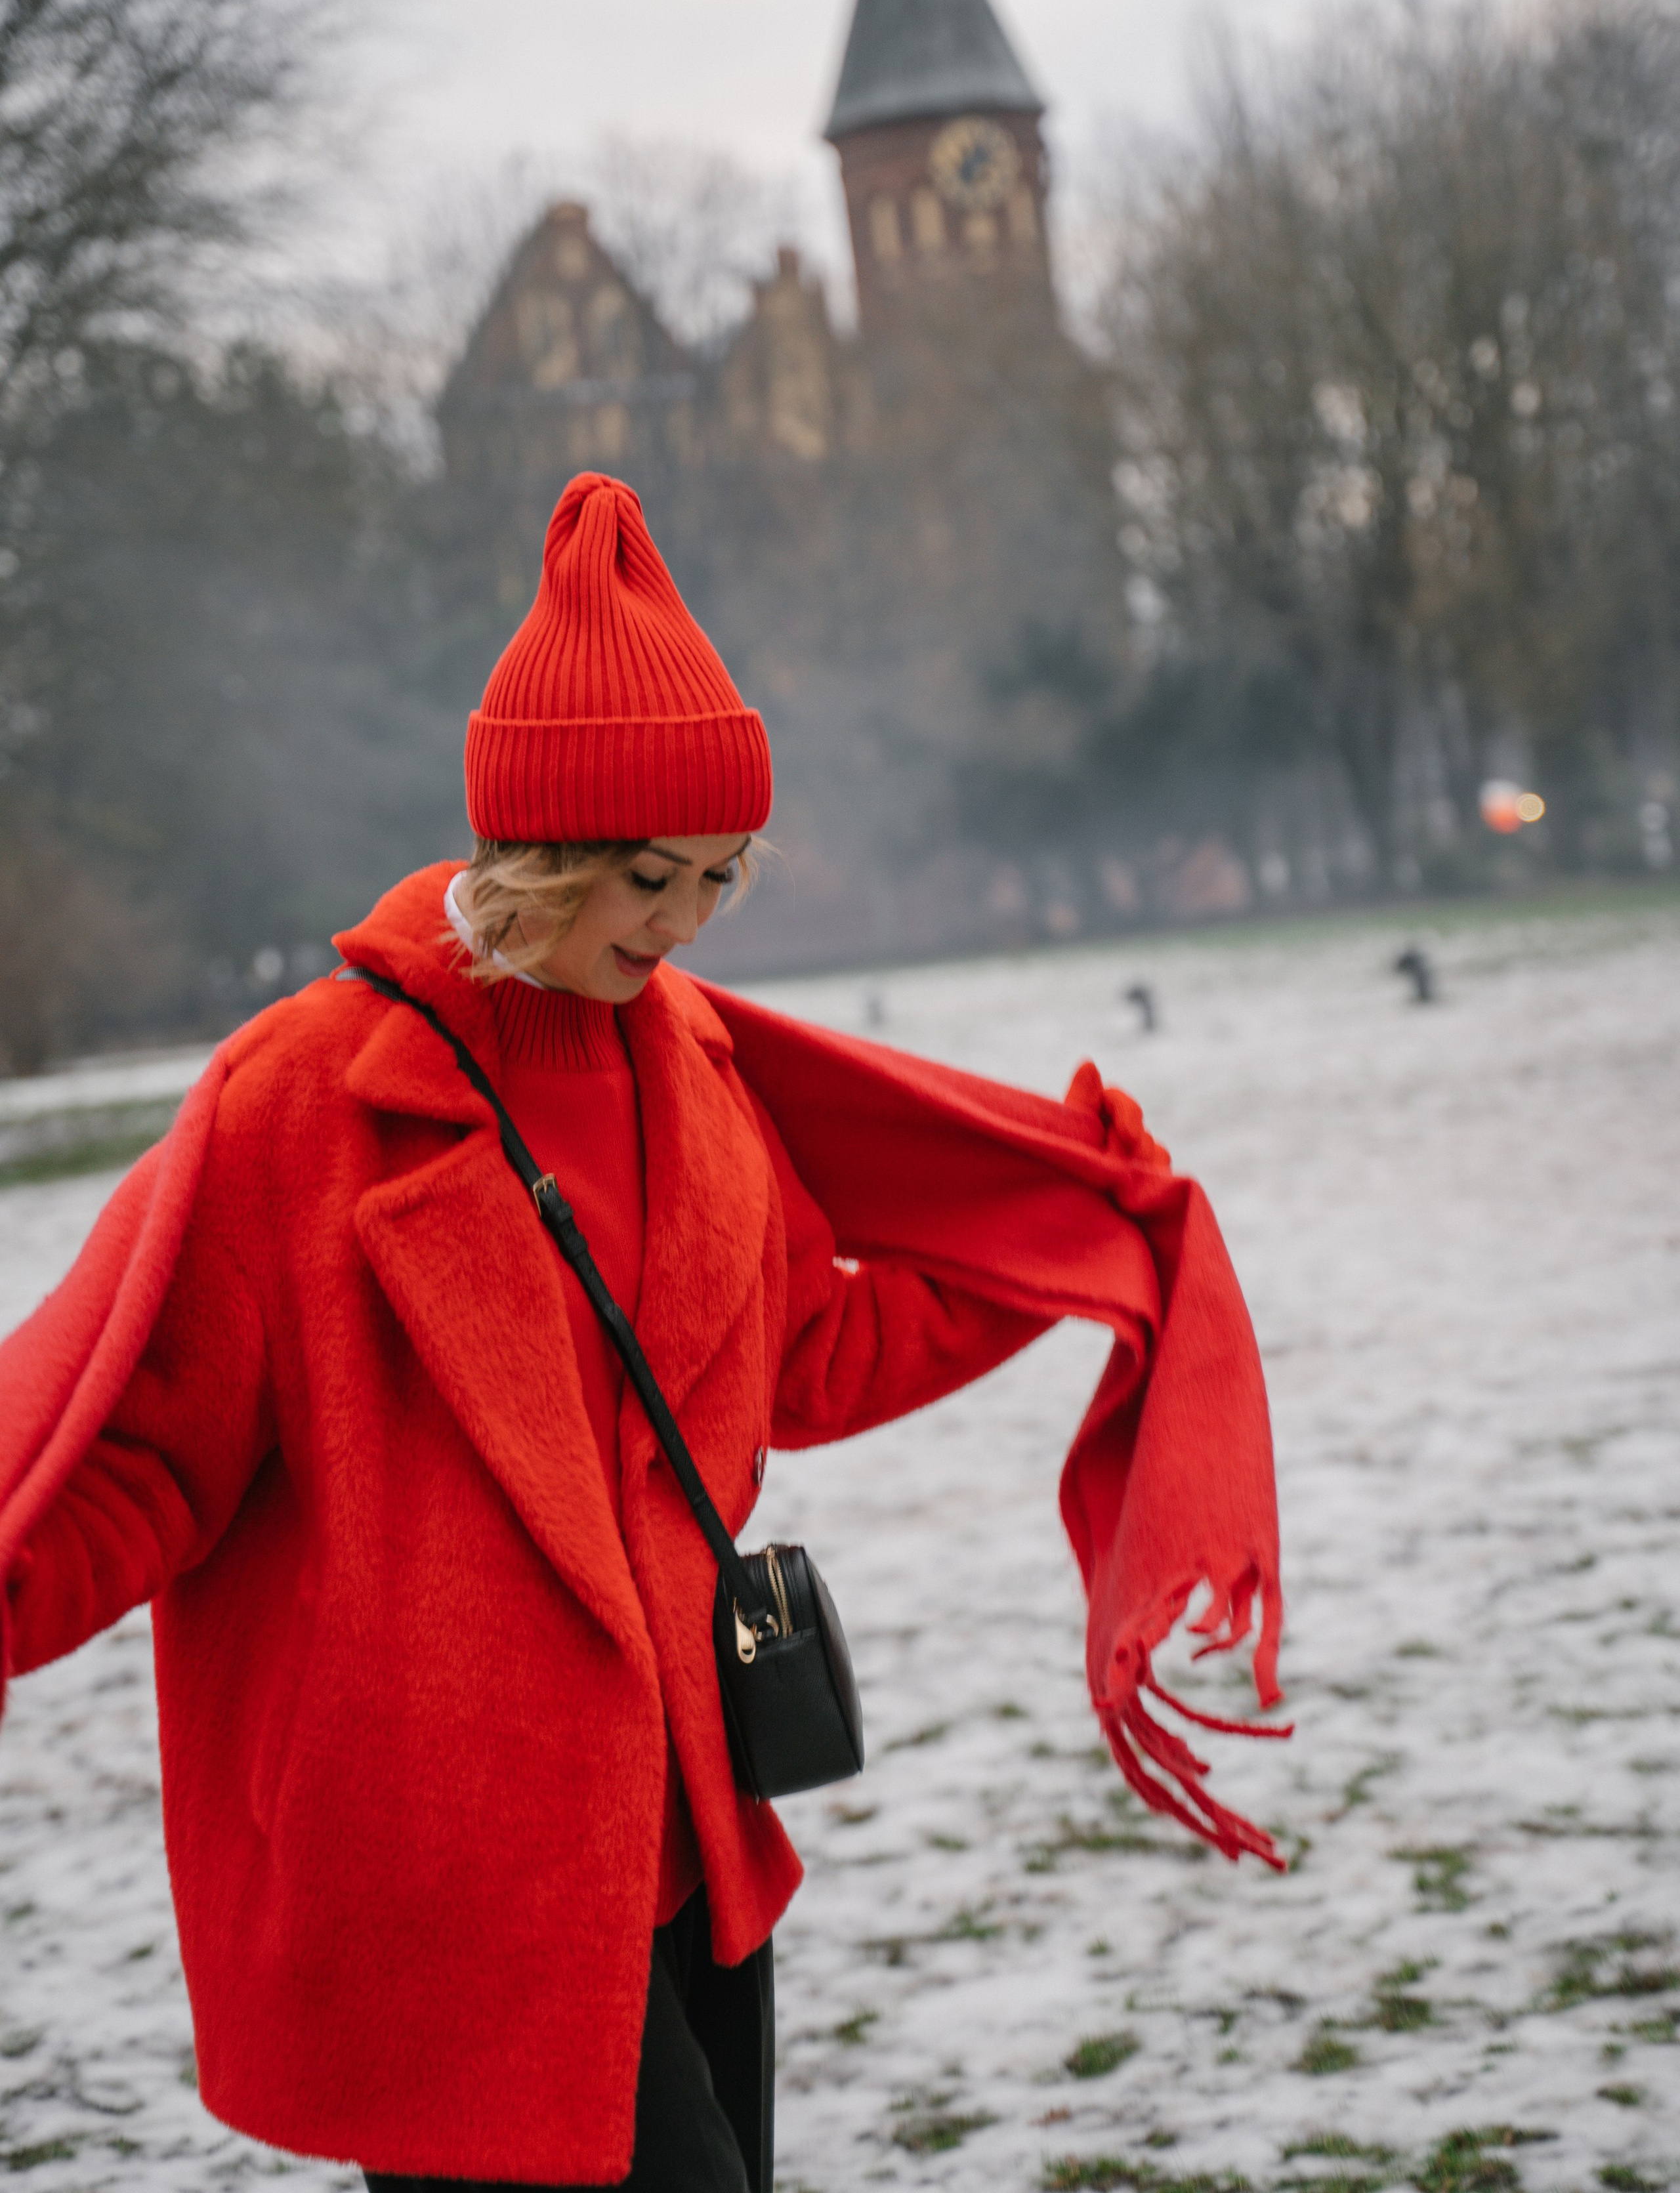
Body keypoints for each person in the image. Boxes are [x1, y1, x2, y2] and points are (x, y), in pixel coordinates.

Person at [0, 474, 1288, 2193]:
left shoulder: (695, 1065)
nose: (683, 924)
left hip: (687, 1839)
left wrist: (1052, 1250)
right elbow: (141, 1454)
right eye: (649, 878)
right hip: (453, 1885)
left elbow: (805, 1359)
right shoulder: (304, 1103)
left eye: (720, 879)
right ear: (535, 855)